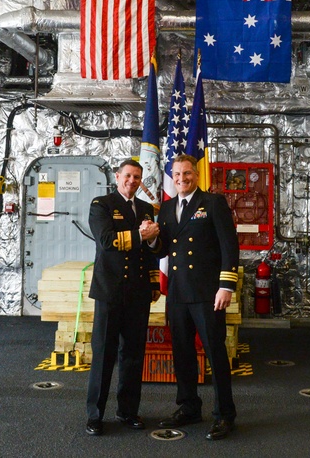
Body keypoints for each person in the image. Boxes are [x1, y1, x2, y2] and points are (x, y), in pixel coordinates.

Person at [156, 153, 239, 440]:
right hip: (178, 293)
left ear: (197, 175)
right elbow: (161, 250)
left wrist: (226, 286)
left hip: (207, 293)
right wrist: (152, 237)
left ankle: (225, 414)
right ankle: (189, 406)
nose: (182, 179)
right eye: (177, 174)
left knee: (215, 353)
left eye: (187, 174)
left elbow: (230, 246)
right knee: (182, 354)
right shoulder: (166, 209)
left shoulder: (212, 203)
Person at [85, 159, 162, 436]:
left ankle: (127, 411)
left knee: (132, 356)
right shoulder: (101, 205)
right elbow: (106, 242)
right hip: (110, 293)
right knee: (104, 355)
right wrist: (142, 235)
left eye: (137, 177)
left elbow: (151, 251)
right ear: (118, 177)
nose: (132, 180)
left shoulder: (145, 209)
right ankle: (95, 415)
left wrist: (154, 281)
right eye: (128, 175)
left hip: (138, 293)